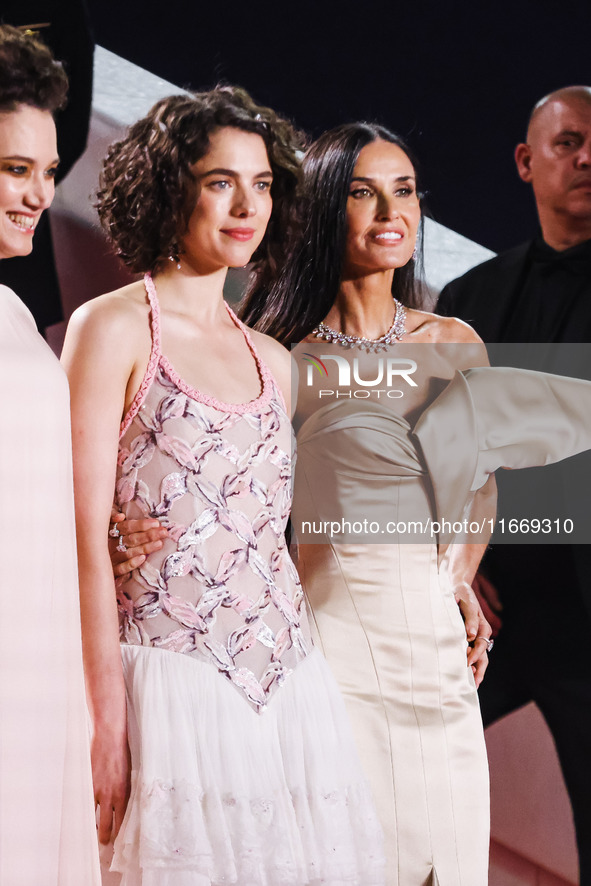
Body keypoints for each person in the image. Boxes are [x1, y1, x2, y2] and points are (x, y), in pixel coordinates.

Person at [240, 120, 591, 886]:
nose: (389, 212)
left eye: (403, 191)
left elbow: (479, 483)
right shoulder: (280, 355)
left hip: (439, 660)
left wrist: (458, 579)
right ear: (325, 209)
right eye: (362, 194)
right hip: (332, 649)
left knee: (449, 863)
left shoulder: (452, 338)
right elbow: (248, 509)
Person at [61, 89, 384, 885]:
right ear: (171, 190)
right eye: (219, 183)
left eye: (264, 184)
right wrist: (105, 720)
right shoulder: (111, 328)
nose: (248, 206)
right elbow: (77, 543)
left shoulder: (274, 363)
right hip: (169, 687)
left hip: (288, 689)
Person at [436, 86, 591, 886]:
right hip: (486, 605)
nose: (586, 158)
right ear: (526, 163)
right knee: (392, 769)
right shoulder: (468, 302)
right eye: (566, 143)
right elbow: (436, 454)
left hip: (585, 621)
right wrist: (461, 567)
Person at [0, 24, 100, 886]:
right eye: (13, 169)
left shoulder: (16, 322)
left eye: (46, 170)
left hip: (32, 683)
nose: (37, 194)